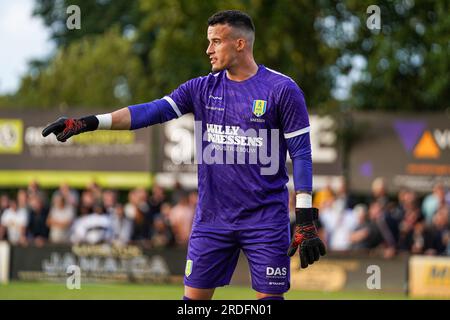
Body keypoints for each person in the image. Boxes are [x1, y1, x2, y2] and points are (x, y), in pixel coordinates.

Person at [41, 10, 326, 300]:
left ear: (240, 44)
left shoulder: (282, 89)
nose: (208, 50)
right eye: (208, 42)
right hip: (212, 219)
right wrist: (88, 122)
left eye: (216, 42)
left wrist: (304, 217)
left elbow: (301, 153)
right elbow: (150, 111)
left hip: (265, 219)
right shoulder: (201, 88)